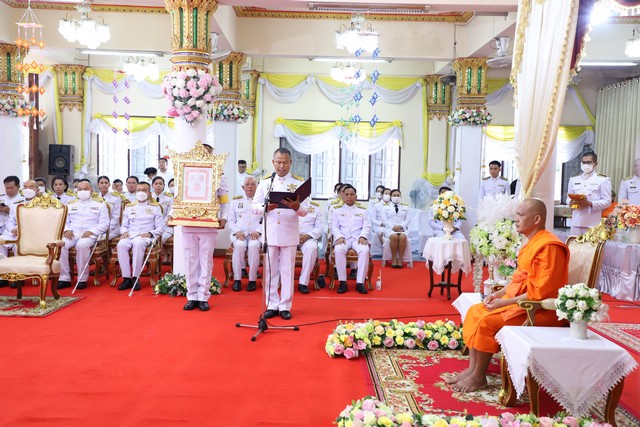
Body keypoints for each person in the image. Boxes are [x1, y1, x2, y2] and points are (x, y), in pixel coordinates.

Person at [448, 198, 569, 392]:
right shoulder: (532, 243)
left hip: (539, 311)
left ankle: (479, 377)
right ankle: (472, 370)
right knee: (474, 311)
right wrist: (499, 296)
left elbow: (539, 294)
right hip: (520, 304)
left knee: (486, 321)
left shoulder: (549, 247)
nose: (516, 219)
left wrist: (504, 304)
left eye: (521, 215)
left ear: (536, 219)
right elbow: (518, 280)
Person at [252, 148, 308, 320]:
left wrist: (296, 206)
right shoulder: (265, 182)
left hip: (289, 233)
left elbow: (306, 211)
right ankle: (272, 304)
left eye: (285, 162)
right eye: (278, 162)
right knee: (270, 270)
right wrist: (264, 208)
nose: (281, 166)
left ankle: (285, 305)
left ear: (291, 163)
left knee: (287, 271)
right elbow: (253, 206)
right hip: (270, 233)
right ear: (273, 162)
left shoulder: (299, 183)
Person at [182, 175, 229, 311]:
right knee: (190, 262)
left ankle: (203, 297)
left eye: (208, 151)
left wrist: (224, 217)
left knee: (206, 262)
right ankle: (191, 296)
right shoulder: (186, 171)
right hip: (189, 223)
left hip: (208, 224)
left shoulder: (219, 174)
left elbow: (224, 200)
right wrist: (171, 215)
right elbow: (179, 197)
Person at [58, 180, 110, 290]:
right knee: (61, 244)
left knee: (81, 246)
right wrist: (66, 230)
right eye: (80, 189)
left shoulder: (100, 205)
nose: (83, 191)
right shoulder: (70, 205)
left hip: (90, 235)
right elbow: (64, 221)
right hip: (73, 233)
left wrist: (92, 231)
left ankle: (82, 279)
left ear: (91, 190)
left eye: (85, 189)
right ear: (76, 191)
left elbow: (105, 224)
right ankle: (64, 278)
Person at [116, 182, 164, 291]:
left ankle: (135, 277)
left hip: (145, 236)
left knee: (138, 244)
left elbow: (161, 227)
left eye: (144, 190)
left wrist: (150, 233)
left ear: (149, 193)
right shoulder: (129, 207)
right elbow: (123, 225)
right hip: (130, 235)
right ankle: (126, 278)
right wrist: (124, 232)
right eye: (139, 190)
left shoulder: (155, 208)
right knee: (121, 244)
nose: (141, 192)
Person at [331, 184, 371, 294]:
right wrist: (339, 236)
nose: (349, 197)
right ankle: (342, 282)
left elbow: (367, 225)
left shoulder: (363, 211)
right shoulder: (336, 210)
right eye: (347, 194)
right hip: (343, 238)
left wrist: (363, 236)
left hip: (358, 238)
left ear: (356, 196)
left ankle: (360, 283)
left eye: (352, 194)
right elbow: (334, 226)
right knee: (339, 250)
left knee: (365, 250)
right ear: (342, 196)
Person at [227, 176, 261, 292]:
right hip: (239, 234)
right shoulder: (236, 201)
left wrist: (259, 230)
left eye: (253, 184)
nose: (250, 186)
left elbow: (267, 219)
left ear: (257, 186)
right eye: (247, 184)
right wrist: (237, 231)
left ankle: (252, 280)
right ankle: (237, 279)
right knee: (239, 246)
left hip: (255, 234)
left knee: (253, 246)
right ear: (243, 187)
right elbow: (230, 220)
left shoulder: (262, 202)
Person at [566, 152, 611, 235]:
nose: (585, 165)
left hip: (593, 223)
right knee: (574, 246)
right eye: (583, 162)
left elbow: (607, 201)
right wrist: (571, 202)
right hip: (576, 221)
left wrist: (589, 203)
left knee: (590, 247)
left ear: (595, 164)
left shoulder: (603, 180)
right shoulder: (574, 179)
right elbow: (568, 198)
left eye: (589, 162)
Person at [298, 200, 324, 293]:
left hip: (308, 238)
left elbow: (319, 228)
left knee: (311, 248)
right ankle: (283, 281)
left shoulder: (315, 207)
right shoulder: (288, 206)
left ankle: (303, 283)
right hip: (290, 237)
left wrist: (308, 235)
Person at [381, 189, 410, 268]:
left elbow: (407, 220)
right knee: (394, 237)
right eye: (394, 195)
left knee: (403, 237)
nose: (396, 197)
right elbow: (384, 220)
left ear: (400, 197)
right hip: (389, 229)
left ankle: (400, 259)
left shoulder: (406, 207)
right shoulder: (385, 207)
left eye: (398, 195)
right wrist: (393, 227)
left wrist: (400, 226)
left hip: (402, 229)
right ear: (390, 197)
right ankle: (394, 258)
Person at [151, 176, 174, 244]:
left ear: (164, 186)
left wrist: (161, 224)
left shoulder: (169, 198)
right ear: (152, 185)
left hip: (165, 227)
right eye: (156, 183)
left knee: (160, 239)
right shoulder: (148, 198)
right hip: (150, 226)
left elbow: (169, 214)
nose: (158, 185)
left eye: (160, 184)